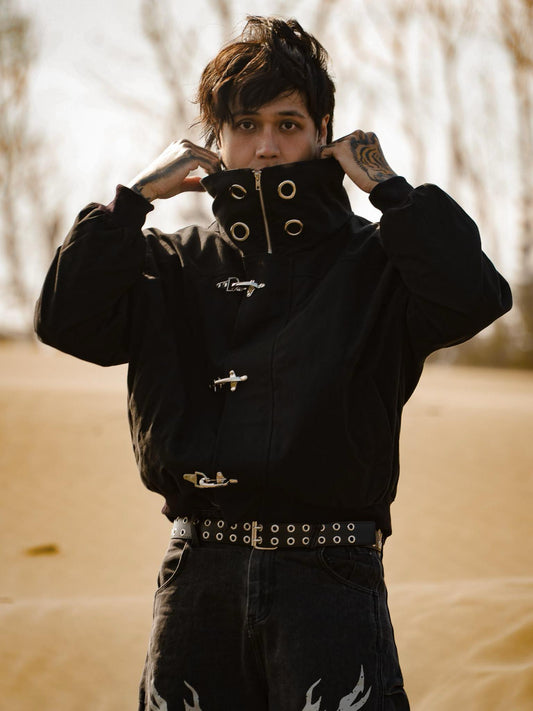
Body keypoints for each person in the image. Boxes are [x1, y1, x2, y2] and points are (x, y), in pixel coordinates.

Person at [35, 15, 512, 711]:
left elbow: (474, 297)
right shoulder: (169, 265)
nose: (266, 146)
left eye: (288, 125)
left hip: (332, 576)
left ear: (324, 133)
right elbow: (65, 320)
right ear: (216, 139)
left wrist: (389, 189)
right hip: (198, 578)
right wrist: (131, 201)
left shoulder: (378, 261)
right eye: (245, 125)